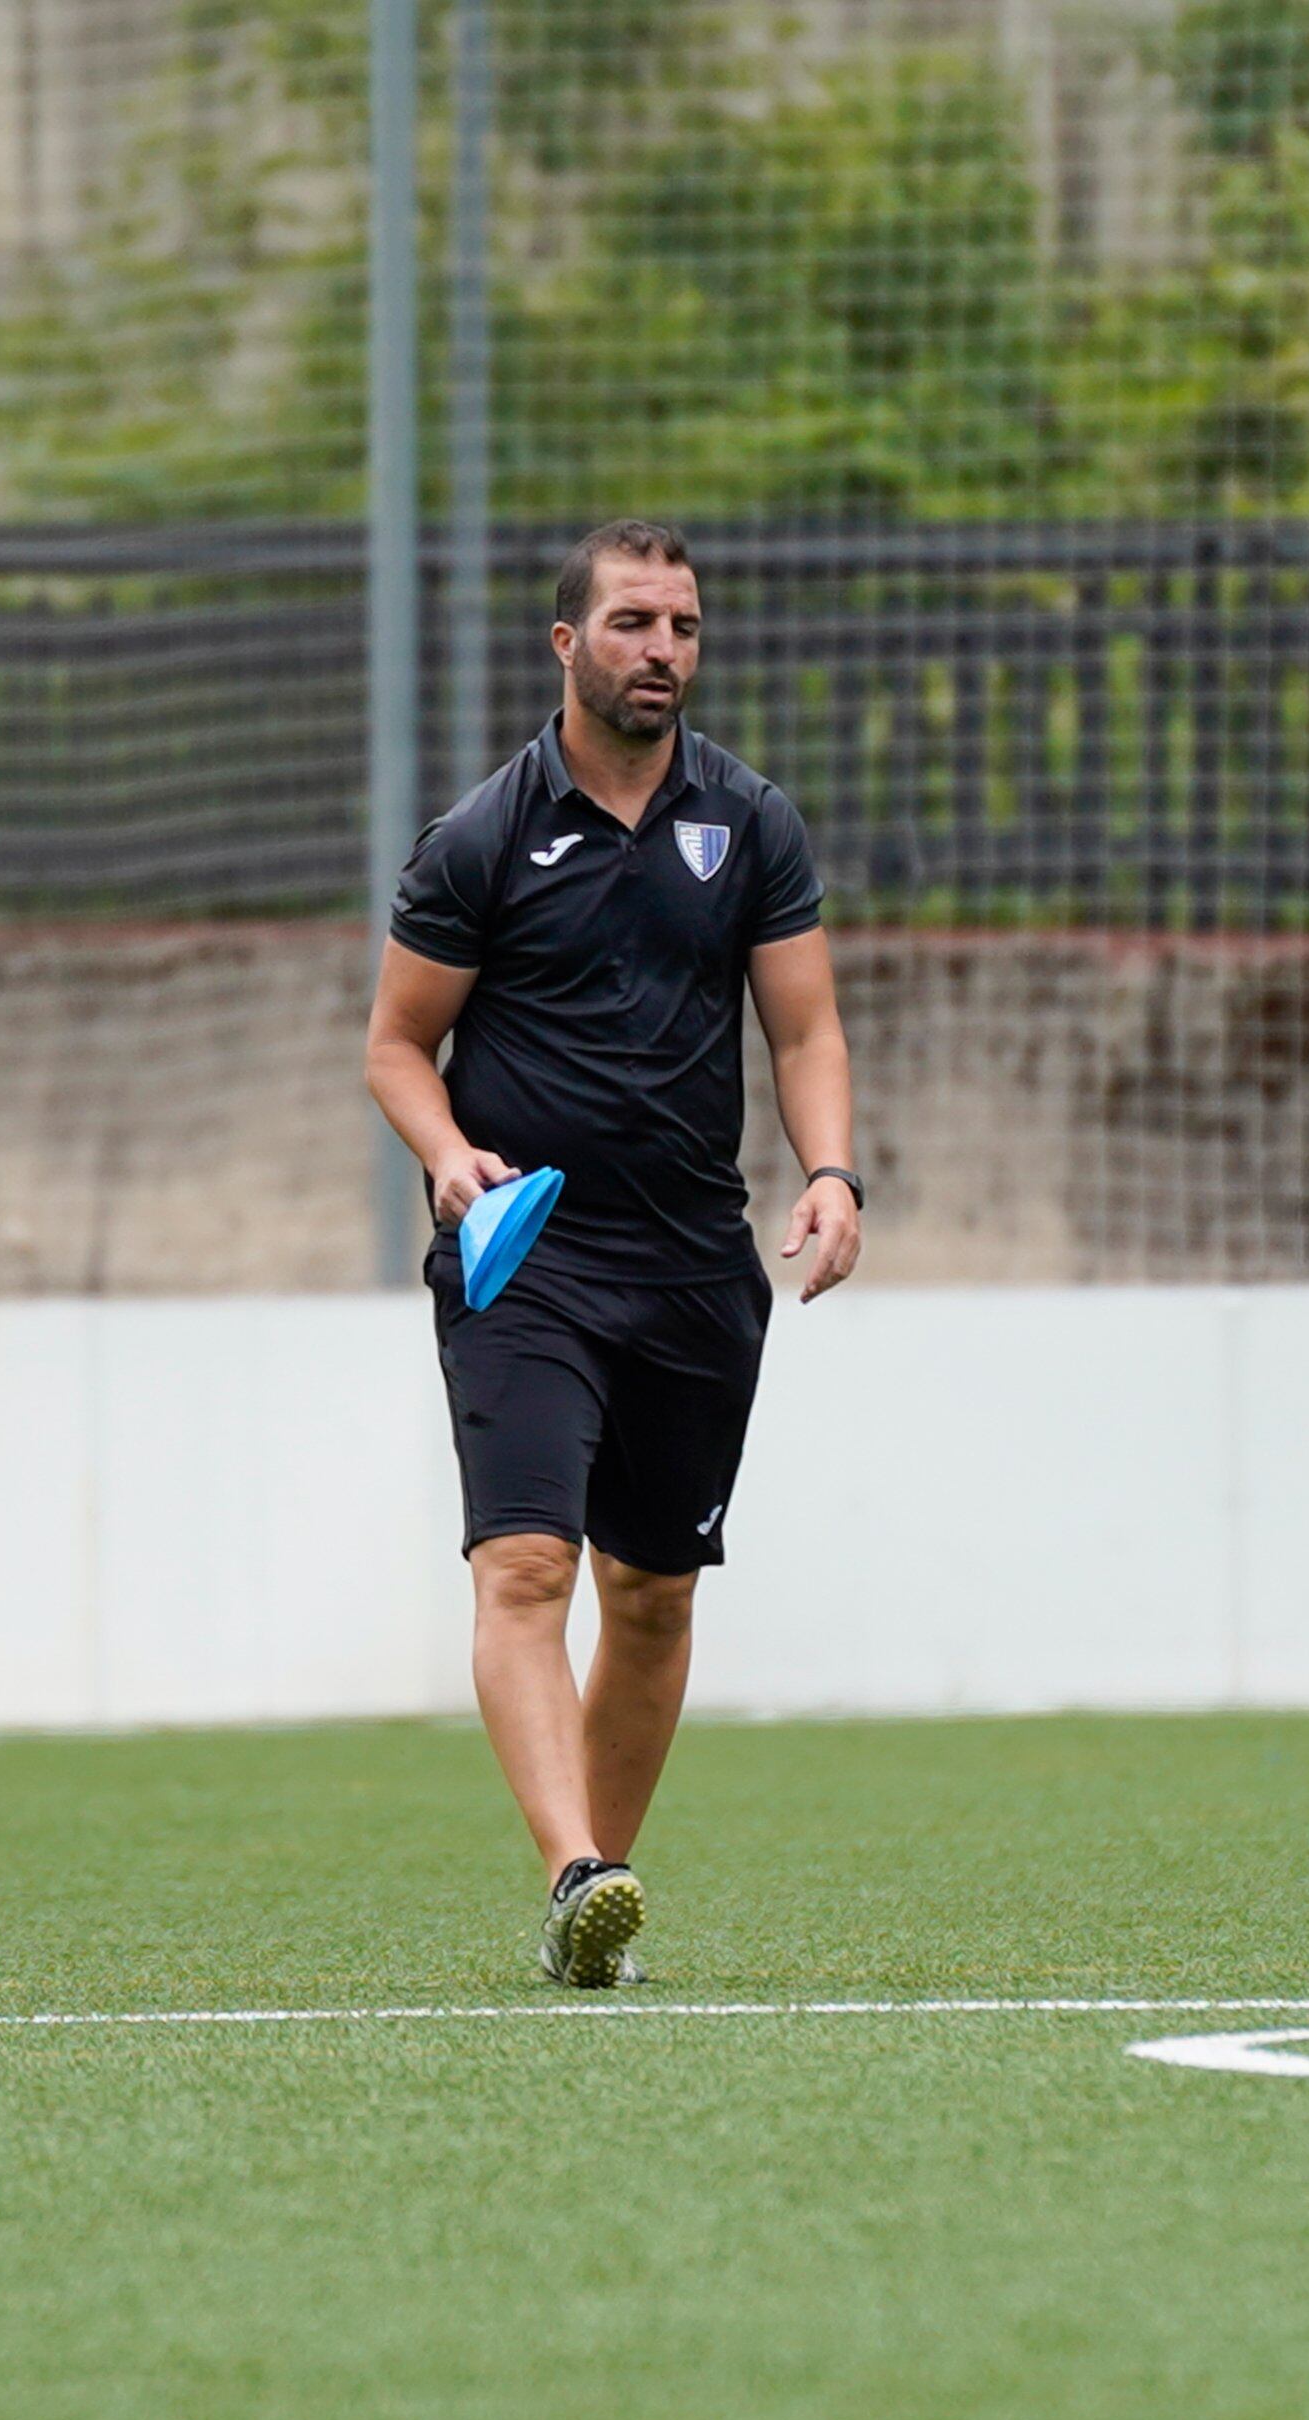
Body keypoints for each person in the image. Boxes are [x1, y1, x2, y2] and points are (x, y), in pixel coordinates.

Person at [364, 518, 863, 1988]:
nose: (665, 653)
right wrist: (451, 1160)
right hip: (526, 1258)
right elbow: (397, 1047)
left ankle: (592, 1908)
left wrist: (831, 1169)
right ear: (569, 644)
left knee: (653, 1593)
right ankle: (579, 1866)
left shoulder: (751, 822)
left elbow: (807, 1029)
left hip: (697, 1264)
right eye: (636, 623)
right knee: (526, 1567)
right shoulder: (478, 838)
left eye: (686, 627)